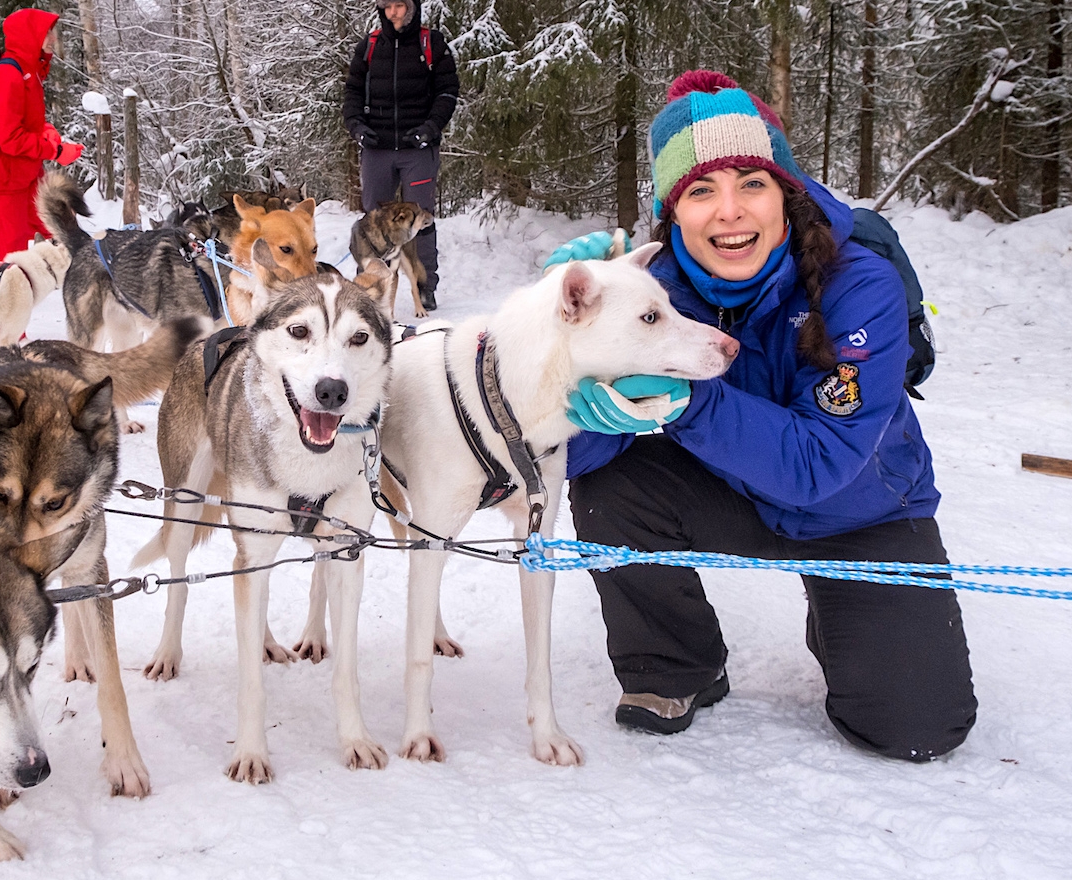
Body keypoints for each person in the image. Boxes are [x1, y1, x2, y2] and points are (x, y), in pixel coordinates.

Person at [553, 70, 976, 762]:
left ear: (786, 191)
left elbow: (821, 464)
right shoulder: (650, 292)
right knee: (610, 490)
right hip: (729, 492)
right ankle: (676, 667)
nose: (730, 212)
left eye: (751, 182)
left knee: (916, 729)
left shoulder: (859, 283)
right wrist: (571, 356)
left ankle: (844, 609)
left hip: (859, 514)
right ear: (673, 211)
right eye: (701, 191)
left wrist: (685, 398)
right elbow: (569, 460)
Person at [342, 0, 458, 311]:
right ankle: (367, 282)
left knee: (420, 219)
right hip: (377, 148)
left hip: (417, 149)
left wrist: (430, 127)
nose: (395, 13)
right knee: (372, 219)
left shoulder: (430, 43)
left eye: (400, 6)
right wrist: (357, 128)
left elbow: (447, 91)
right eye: (389, 6)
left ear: (412, 7)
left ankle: (424, 285)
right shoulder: (369, 45)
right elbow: (351, 92)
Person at [0, 7, 85, 261]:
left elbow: (21, 123)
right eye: (48, 33)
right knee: (10, 261)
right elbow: (9, 138)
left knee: (62, 232)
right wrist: (56, 150)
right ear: (29, 36)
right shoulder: (7, 75)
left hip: (25, 175)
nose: (54, 39)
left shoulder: (28, 74)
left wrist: (46, 130)